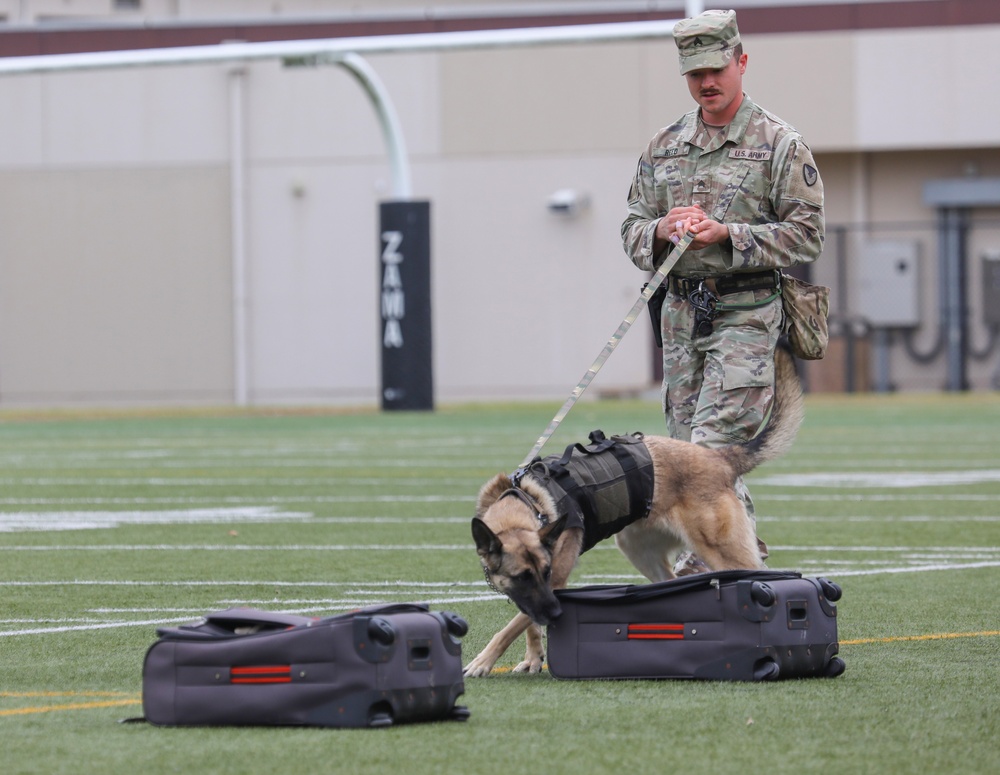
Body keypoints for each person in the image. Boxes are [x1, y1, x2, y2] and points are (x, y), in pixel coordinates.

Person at [620, 8, 825, 575]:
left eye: (716, 69)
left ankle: (701, 560)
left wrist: (729, 234)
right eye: (694, 74)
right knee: (688, 451)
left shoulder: (780, 144)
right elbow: (631, 227)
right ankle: (744, 555)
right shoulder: (664, 146)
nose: (706, 82)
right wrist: (660, 231)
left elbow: (808, 234)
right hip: (682, 315)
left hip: (746, 312)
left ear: (741, 62)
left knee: (708, 450)